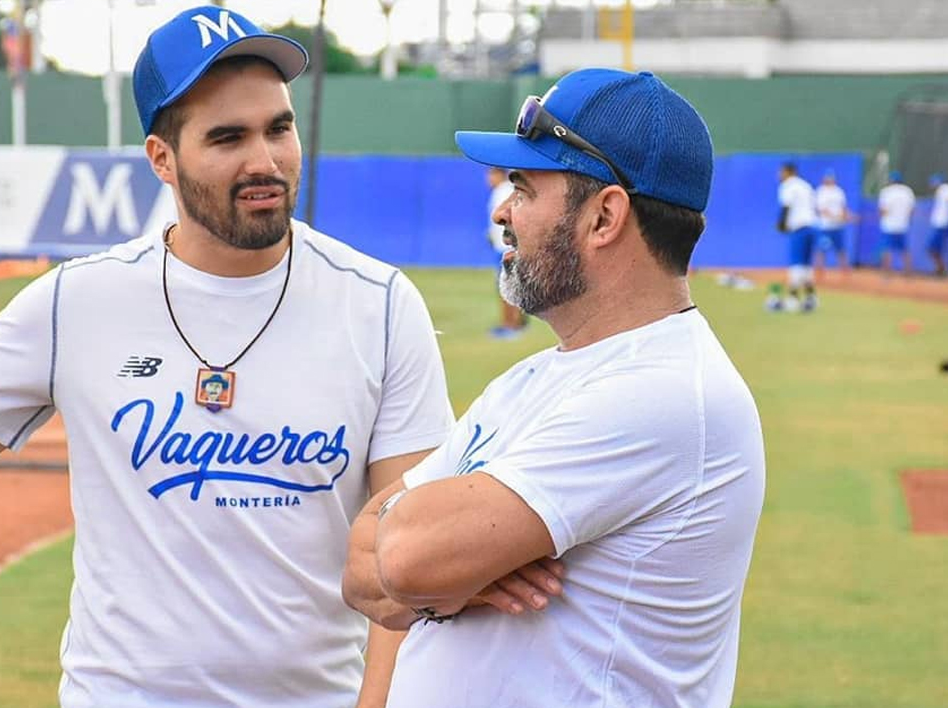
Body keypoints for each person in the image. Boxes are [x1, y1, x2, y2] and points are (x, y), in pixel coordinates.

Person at [0, 5, 457, 708]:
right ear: (162, 158)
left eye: (279, 128)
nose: (265, 161)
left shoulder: (379, 305)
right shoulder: (76, 304)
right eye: (227, 138)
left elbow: (412, 560)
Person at [342, 68, 766, 708]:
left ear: (604, 216)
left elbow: (402, 556)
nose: (502, 211)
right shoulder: (534, 379)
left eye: (524, 188)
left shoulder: (665, 392)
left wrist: (430, 568)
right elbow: (360, 566)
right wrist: (459, 577)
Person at [484, 166, 525, 338]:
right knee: (509, 286)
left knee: (507, 287)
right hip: (501, 245)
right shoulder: (502, 191)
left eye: (491, 175)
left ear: (499, 174)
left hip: (505, 247)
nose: (488, 179)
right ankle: (515, 323)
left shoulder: (503, 191)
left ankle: (510, 325)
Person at [774, 161, 819, 312]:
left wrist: (781, 224)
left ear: (788, 172)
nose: (779, 175)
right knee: (806, 265)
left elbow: (787, 206)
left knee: (796, 264)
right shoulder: (806, 185)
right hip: (812, 226)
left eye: (781, 172)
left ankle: (793, 298)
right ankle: (811, 297)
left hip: (799, 228)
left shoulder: (788, 185)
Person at [814, 169, 852, 274]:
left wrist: (847, 216)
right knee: (821, 249)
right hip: (825, 227)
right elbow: (821, 209)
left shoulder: (839, 191)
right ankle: (819, 272)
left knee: (841, 249)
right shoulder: (821, 191)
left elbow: (843, 208)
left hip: (838, 227)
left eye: (831, 178)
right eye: (827, 178)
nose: (829, 180)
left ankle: (845, 271)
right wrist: (835, 216)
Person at [878, 170, 916, 276]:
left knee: (887, 249)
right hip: (903, 225)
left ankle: (886, 272)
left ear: (891, 180)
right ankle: (908, 272)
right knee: (904, 249)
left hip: (888, 225)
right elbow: (912, 210)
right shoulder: (907, 191)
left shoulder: (886, 191)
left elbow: (882, 210)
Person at [927, 172, 948, 276]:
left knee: (932, 248)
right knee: (934, 248)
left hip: (942, 224)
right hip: (940, 223)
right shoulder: (941, 190)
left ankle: (941, 270)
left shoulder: (943, 189)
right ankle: (940, 269)